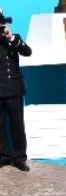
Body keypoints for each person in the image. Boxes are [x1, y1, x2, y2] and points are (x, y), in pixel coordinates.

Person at [0, 11, 32, 171]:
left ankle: (19, 158)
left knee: (17, 125)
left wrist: (11, 38)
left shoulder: (14, 39)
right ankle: (4, 156)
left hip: (14, 88)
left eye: (2, 23)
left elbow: (27, 51)